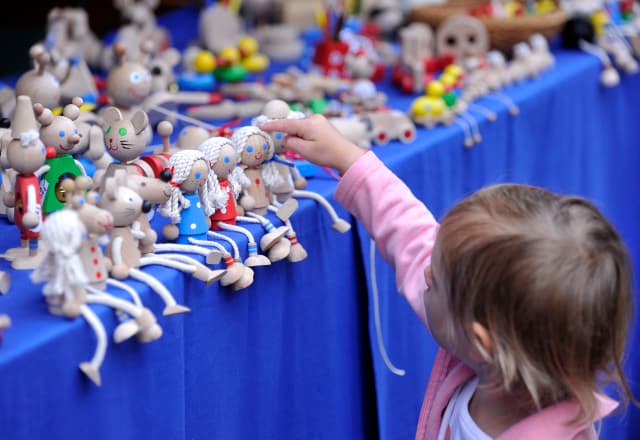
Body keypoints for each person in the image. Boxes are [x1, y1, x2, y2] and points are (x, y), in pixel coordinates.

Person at [259, 114, 637, 439]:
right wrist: (350, 160)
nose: (424, 269)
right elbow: (413, 235)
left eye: (435, 280)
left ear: (482, 342)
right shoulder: (490, 343)